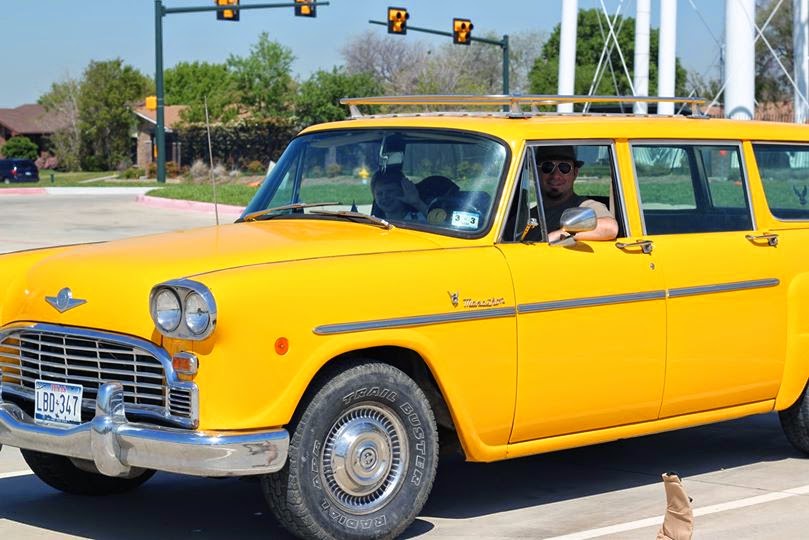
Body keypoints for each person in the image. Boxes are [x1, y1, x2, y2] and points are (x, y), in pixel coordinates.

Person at [537, 145, 619, 241]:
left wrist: (561, 234)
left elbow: (610, 228)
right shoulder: (527, 215)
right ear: (537, 171)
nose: (555, 175)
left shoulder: (585, 207)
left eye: (564, 168)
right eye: (547, 167)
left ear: (575, 173)